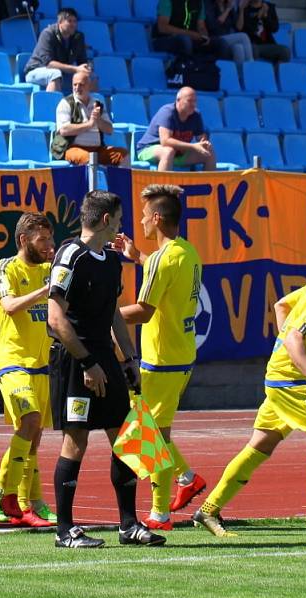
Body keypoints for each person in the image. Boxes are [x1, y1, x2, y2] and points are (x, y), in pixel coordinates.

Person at [192, 236, 306, 539]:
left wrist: (284, 345)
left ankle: (209, 510)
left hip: (280, 375)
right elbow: (295, 337)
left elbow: (282, 305)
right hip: (291, 381)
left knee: (260, 446)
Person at [48, 190, 166, 549]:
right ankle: (64, 530)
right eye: (118, 217)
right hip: (75, 361)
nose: (121, 223)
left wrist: (129, 359)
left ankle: (129, 525)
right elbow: (56, 318)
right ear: (105, 220)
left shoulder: (112, 261)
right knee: (77, 440)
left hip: (106, 359)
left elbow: (114, 312)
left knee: (125, 437)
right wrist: (87, 362)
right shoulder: (71, 255)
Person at [117, 184, 206, 531]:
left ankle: (160, 513)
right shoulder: (187, 252)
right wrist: (137, 256)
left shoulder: (162, 259)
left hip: (162, 359)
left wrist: (102, 314)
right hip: (180, 354)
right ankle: (186, 478)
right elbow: (165, 272)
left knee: (151, 434)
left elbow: (142, 311)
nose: (140, 222)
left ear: (156, 218)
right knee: (153, 430)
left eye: (143, 216)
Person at [0, 213, 58, 528]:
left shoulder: (48, 270)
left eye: (51, 240)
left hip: (41, 364)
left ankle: (26, 500)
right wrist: (44, 291)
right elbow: (8, 306)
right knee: (30, 421)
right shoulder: (6, 267)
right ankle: (9, 496)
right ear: (24, 239)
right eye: (43, 240)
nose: (49, 246)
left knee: (33, 436)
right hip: (13, 361)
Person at [52, 71, 130, 167]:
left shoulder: (98, 104)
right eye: (75, 85)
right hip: (72, 148)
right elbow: (64, 130)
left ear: (89, 86)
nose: (77, 88)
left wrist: (98, 121)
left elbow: (109, 130)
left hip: (97, 149)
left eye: (81, 85)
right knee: (89, 159)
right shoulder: (65, 103)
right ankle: (94, 182)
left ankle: (122, 182)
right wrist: (89, 124)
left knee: (123, 155)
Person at [136, 87, 217, 172]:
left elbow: (201, 137)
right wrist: (193, 146)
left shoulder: (196, 115)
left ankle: (210, 185)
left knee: (209, 153)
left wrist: (203, 142)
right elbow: (165, 141)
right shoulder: (167, 112)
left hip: (178, 154)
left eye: (195, 101)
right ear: (178, 100)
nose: (193, 104)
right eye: (189, 101)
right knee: (168, 151)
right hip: (149, 149)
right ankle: (163, 185)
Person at [24, 8, 90, 93]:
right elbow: (48, 63)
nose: (73, 24)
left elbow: (82, 62)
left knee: (90, 76)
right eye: (69, 21)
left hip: (62, 72)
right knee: (55, 74)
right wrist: (75, 69)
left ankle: (88, 106)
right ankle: (52, 105)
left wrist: (86, 68)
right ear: (60, 23)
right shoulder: (47, 34)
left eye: (75, 21)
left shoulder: (78, 37)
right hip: (36, 70)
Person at [152, 0, 227, 62]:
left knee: (220, 43)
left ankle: (213, 73)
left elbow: (201, 26)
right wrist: (191, 34)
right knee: (185, 40)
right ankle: (185, 71)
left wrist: (204, 36)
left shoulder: (199, 2)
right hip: (165, 39)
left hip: (189, 39)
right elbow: (162, 27)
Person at [205, 0, 254, 64]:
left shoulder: (228, 5)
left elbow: (239, 27)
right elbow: (213, 26)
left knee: (239, 48)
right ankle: (252, 66)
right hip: (215, 38)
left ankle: (240, 73)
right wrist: (228, 9)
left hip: (228, 39)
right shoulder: (209, 5)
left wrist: (241, 9)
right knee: (244, 36)